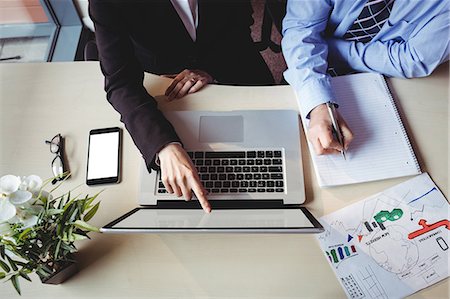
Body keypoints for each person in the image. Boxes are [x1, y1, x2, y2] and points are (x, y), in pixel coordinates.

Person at [89, 0, 274, 213]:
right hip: (167, 90)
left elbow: (240, 24)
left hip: (232, 67)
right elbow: (121, 83)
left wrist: (208, 71)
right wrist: (163, 146)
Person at [282, 0, 449, 156]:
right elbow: (300, 30)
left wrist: (327, 47)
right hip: (307, 67)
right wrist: (318, 105)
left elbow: (411, 59)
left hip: (389, 81)